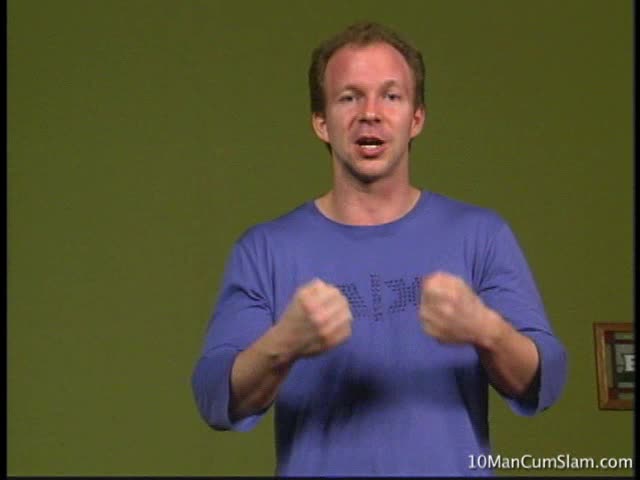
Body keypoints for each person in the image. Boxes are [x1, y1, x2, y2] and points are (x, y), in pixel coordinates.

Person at [191, 21, 567, 476]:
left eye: (391, 96)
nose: (370, 113)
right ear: (321, 122)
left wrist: (486, 329)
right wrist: (282, 343)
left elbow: (545, 382)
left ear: (416, 119)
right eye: (349, 97)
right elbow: (214, 396)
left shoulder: (481, 234)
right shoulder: (264, 249)